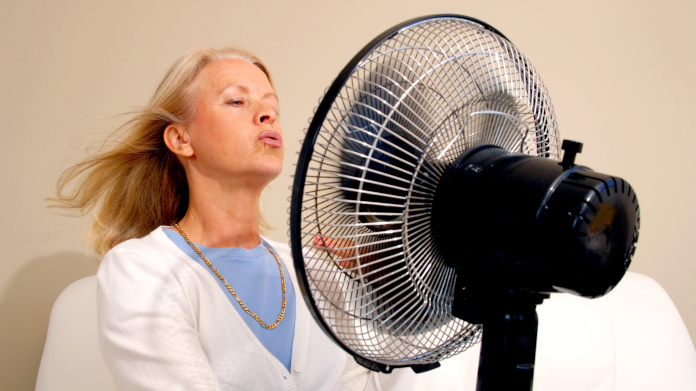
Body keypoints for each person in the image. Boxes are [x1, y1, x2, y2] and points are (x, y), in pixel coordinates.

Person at [52, 46, 419, 390]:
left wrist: (390, 272)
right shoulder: (142, 270)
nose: (266, 115)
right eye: (236, 101)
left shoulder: (319, 273)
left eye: (271, 107)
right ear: (181, 139)